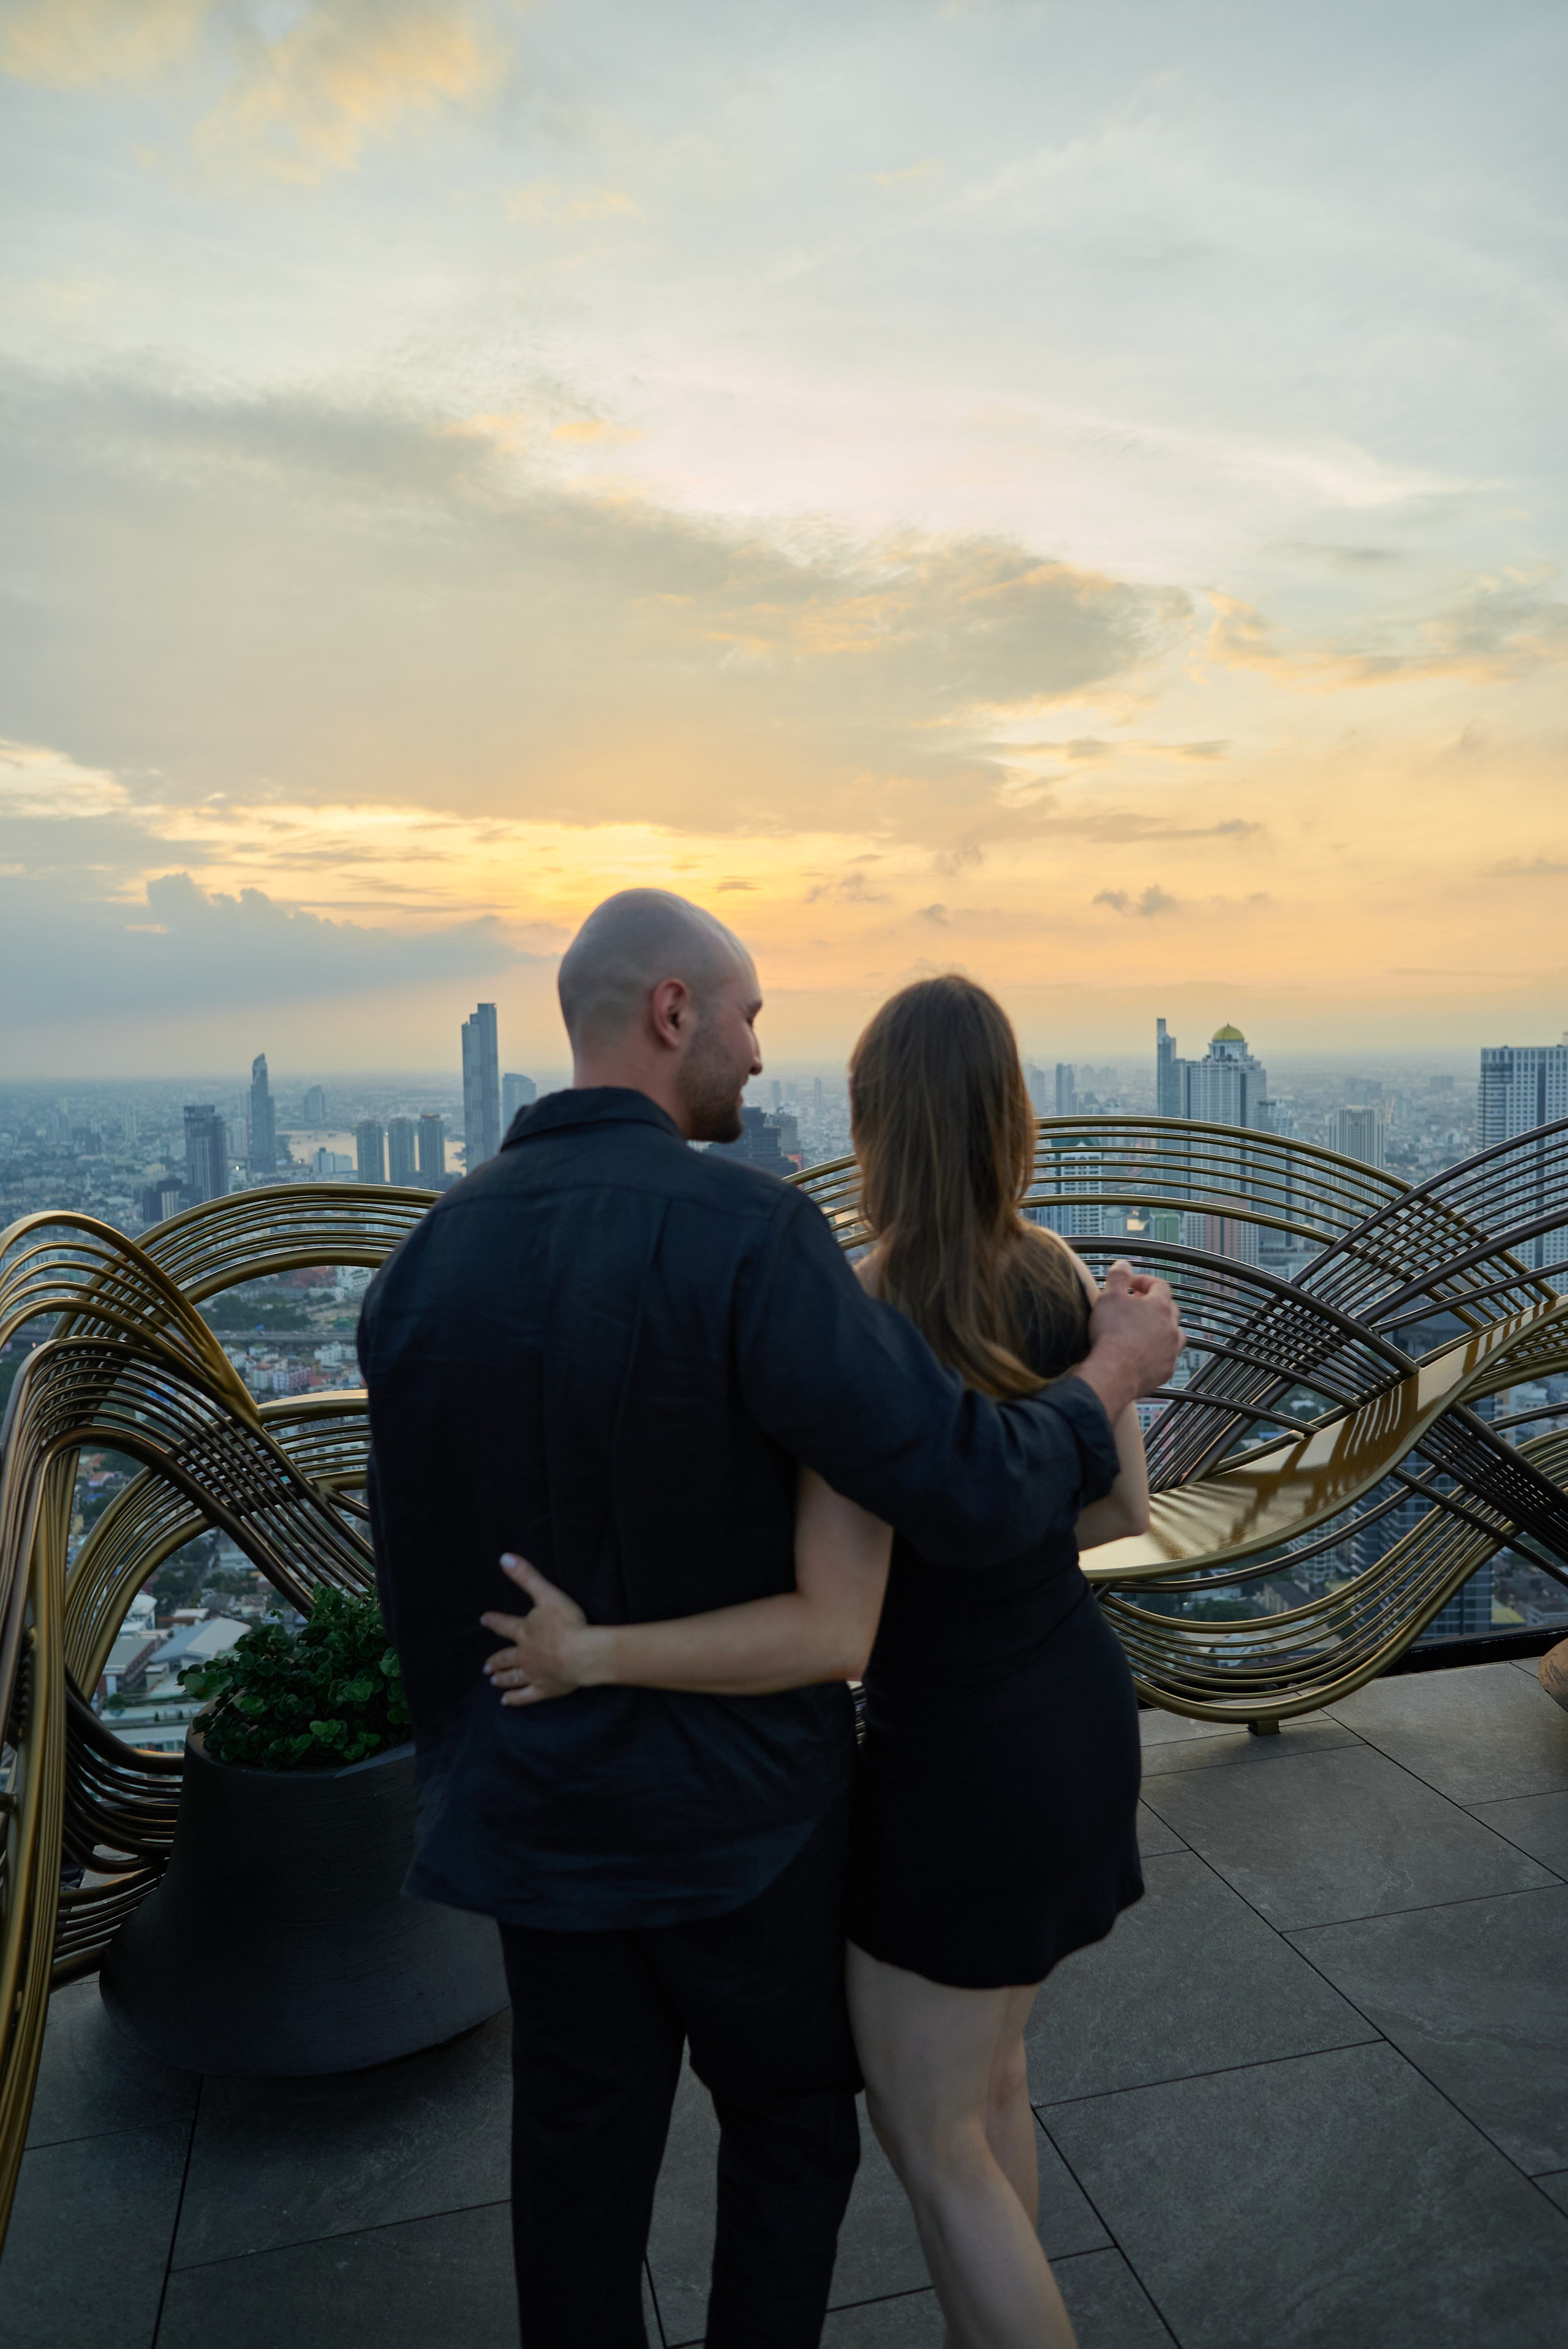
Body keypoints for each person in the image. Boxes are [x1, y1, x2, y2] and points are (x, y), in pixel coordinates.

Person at [359, 891, 1181, 2349]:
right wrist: (1110, 1369)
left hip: (540, 1822)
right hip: (745, 1817)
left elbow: (416, 1566)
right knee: (801, 2139)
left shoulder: (425, 1262)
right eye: (745, 1015)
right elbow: (958, 1488)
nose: (756, 1050)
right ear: (673, 1010)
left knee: (573, 2182)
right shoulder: (753, 1234)